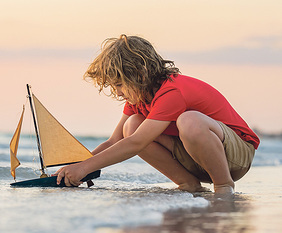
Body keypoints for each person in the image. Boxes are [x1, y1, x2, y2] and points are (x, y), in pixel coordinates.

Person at [54, 34, 259, 194]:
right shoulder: (139, 97)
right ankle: (189, 184)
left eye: (119, 85)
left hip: (234, 158)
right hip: (196, 159)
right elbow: (114, 141)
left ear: (140, 75)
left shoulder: (172, 91)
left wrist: (84, 168)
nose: (117, 92)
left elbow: (137, 143)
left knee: (190, 121)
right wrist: (79, 166)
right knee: (132, 126)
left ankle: (223, 186)